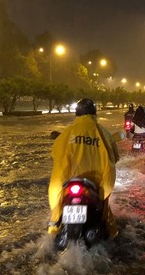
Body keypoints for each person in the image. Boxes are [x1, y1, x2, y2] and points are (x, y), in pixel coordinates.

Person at [48, 98, 120, 238]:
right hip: (95, 185)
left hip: (67, 182)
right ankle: (112, 236)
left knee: (57, 204)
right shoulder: (104, 134)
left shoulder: (66, 134)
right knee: (105, 211)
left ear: (77, 114)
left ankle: (54, 227)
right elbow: (115, 158)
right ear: (95, 114)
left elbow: (54, 155)